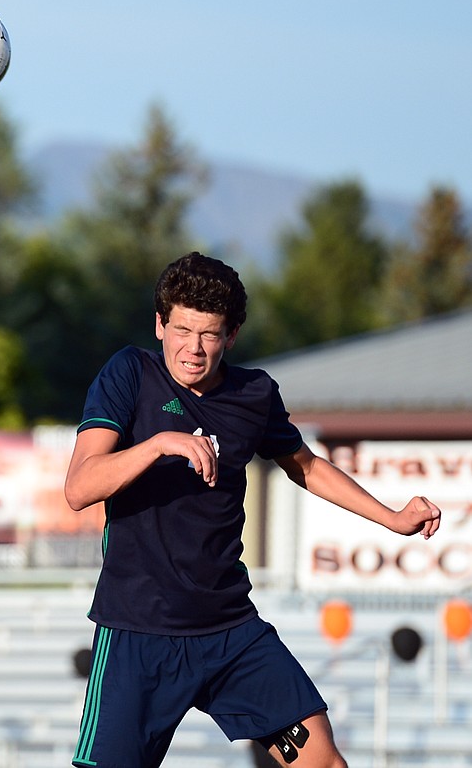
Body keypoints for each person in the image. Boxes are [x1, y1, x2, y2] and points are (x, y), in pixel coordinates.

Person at [63, 251, 443, 768]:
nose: (192, 349)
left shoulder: (255, 394)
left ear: (232, 335)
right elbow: (80, 487)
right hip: (138, 632)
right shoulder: (129, 372)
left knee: (322, 762)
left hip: (230, 632)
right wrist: (158, 445)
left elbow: (306, 466)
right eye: (181, 329)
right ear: (159, 324)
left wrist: (393, 518)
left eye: (209, 334)